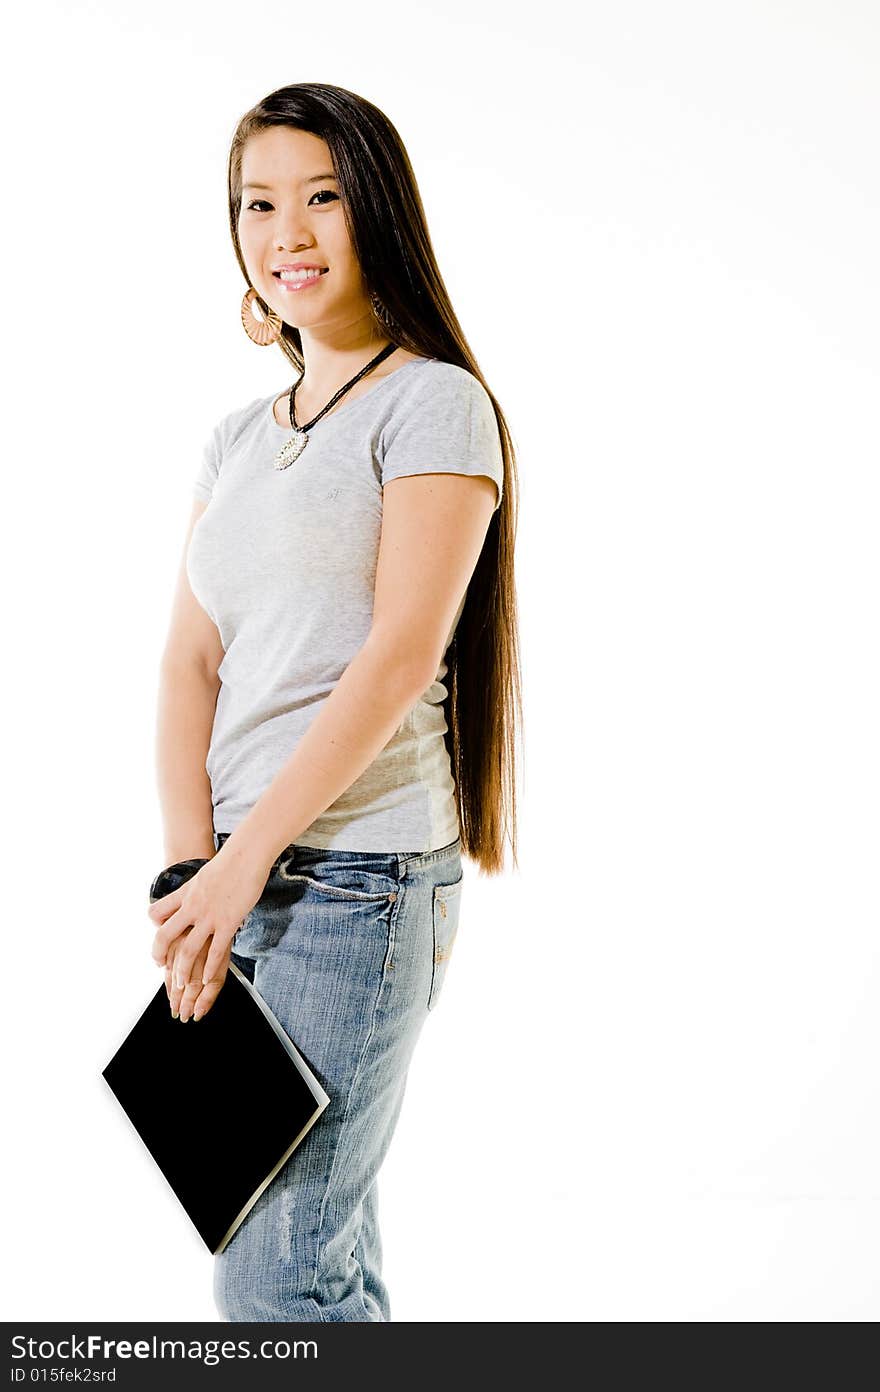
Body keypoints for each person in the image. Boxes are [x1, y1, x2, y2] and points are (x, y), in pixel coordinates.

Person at [147, 82, 522, 1322]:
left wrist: (241, 863)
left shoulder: (432, 402)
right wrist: (187, 868)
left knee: (275, 1272)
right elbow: (188, 664)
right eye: (258, 204)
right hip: (235, 883)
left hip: (356, 881)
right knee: (312, 1254)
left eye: (321, 196)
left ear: (378, 211)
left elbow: (400, 654)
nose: (287, 231)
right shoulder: (236, 437)